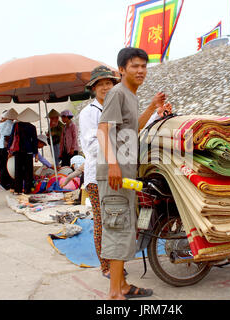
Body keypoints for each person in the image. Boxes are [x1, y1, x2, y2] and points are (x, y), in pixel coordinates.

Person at [96, 47, 171, 300]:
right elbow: (103, 130)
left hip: (125, 174)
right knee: (118, 229)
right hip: (114, 174)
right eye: (134, 66)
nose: (140, 70)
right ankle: (115, 294)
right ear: (121, 70)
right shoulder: (116, 93)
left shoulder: (130, 95)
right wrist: (114, 165)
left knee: (125, 228)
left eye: (143, 66)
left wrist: (152, 107)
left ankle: (123, 286)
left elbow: (132, 129)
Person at [79, 65, 120, 278]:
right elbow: (92, 147)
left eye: (109, 83)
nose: (106, 87)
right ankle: (105, 266)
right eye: (101, 84)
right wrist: (113, 135)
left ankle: (116, 262)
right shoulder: (88, 113)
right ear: (94, 89)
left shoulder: (117, 107)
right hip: (97, 176)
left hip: (118, 172)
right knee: (101, 221)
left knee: (116, 220)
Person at [7, 107, 39, 195]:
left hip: (18, 151)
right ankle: (27, 189)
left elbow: (11, 138)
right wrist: (36, 153)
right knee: (28, 171)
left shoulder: (16, 125)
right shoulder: (32, 127)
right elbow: (35, 141)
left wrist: (9, 150)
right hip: (28, 151)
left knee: (18, 170)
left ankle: (18, 189)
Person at [0, 108, 17, 189]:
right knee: (8, 166)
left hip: (0, 147)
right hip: (8, 148)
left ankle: (2, 183)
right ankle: (9, 183)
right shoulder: (13, 125)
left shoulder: (0, 124)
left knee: (1, 166)